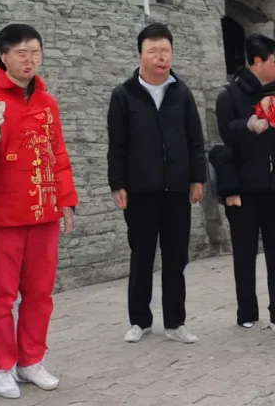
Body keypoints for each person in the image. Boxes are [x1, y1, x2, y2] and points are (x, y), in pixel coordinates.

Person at [0, 24, 77, 399]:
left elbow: (58, 153)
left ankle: (31, 360)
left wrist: (66, 199)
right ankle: (1, 367)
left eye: (34, 52)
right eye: (20, 53)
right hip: (5, 213)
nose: (29, 60)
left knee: (40, 292)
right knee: (1, 295)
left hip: (44, 208)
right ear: (3, 57)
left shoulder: (48, 102)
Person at [107, 22, 206, 344]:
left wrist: (197, 178)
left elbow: (195, 139)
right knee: (142, 255)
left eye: (166, 50)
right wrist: (118, 183)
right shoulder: (124, 95)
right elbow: (117, 144)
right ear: (140, 55)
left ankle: (176, 322)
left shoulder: (182, 92)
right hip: (140, 190)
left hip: (177, 188)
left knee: (176, 256)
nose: (160, 57)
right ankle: (140, 320)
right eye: (153, 51)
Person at [212, 33, 275, 329]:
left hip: (272, 186)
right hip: (243, 191)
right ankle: (247, 313)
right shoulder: (229, 97)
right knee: (245, 254)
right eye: (274, 61)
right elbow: (224, 140)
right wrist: (249, 124)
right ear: (257, 61)